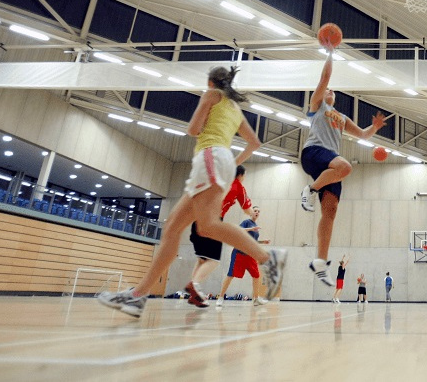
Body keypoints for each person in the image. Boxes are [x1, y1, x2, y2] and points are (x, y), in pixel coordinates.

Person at [97, 66, 287, 318]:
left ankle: (268, 259)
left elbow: (193, 129)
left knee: (206, 226)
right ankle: (137, 296)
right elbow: (255, 143)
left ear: (211, 83)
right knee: (173, 228)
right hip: (221, 160)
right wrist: (232, 163)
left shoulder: (211, 95)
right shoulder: (235, 108)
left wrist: (214, 141)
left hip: (210, 155)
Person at [299, 46, 386, 286]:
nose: (330, 89)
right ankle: (310, 190)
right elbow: (324, 78)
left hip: (329, 166)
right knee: (346, 167)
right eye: (327, 89)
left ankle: (320, 262)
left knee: (330, 212)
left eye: (332, 90)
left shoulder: (341, 117)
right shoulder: (317, 106)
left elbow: (362, 135)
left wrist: (375, 127)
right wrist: (330, 52)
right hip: (314, 153)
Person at [186, 165, 254, 308]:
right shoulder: (238, 186)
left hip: (197, 219)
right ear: (240, 175)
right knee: (214, 260)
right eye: (244, 175)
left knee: (202, 259)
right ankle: (195, 284)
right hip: (213, 221)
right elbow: (248, 209)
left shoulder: (219, 181)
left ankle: (194, 293)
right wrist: (254, 213)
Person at [215, 206, 271, 307]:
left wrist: (263, 241)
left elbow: (252, 242)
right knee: (230, 275)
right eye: (255, 211)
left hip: (250, 255)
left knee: (256, 276)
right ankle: (220, 297)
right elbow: (238, 230)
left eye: (259, 211)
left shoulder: (256, 227)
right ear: (251, 213)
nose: (257, 212)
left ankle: (256, 299)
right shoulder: (247, 222)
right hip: (239, 253)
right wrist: (251, 228)